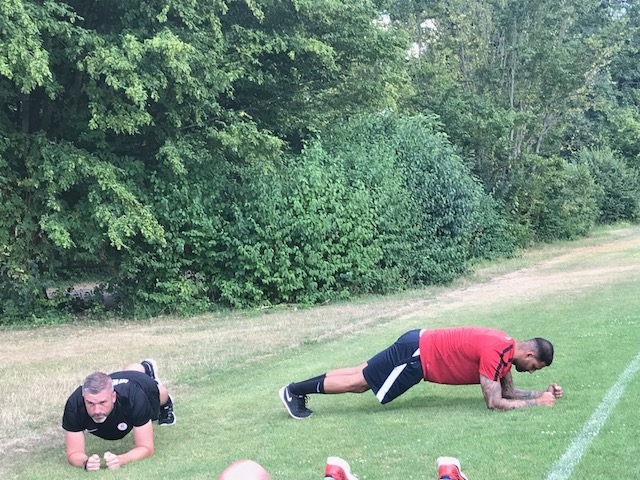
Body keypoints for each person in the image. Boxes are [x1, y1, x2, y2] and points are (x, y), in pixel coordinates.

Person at [279, 327, 564, 419]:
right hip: (416, 355)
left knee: (360, 373)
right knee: (359, 382)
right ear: (529, 355)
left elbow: (508, 391)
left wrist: (542, 393)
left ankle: (295, 391)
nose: (531, 372)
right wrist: (536, 404)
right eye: (534, 368)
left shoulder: (505, 346)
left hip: (415, 343)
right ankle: (293, 392)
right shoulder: (497, 353)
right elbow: (494, 402)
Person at [62, 358, 176, 470]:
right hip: (116, 379)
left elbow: (146, 447)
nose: (97, 410)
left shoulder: (133, 398)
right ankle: (143, 369)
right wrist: (85, 462)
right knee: (128, 373)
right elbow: (73, 453)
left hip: (140, 385)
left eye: (102, 402)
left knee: (161, 393)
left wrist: (121, 459)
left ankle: (148, 371)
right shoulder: (75, 404)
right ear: (84, 398)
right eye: (90, 403)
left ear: (113, 397)